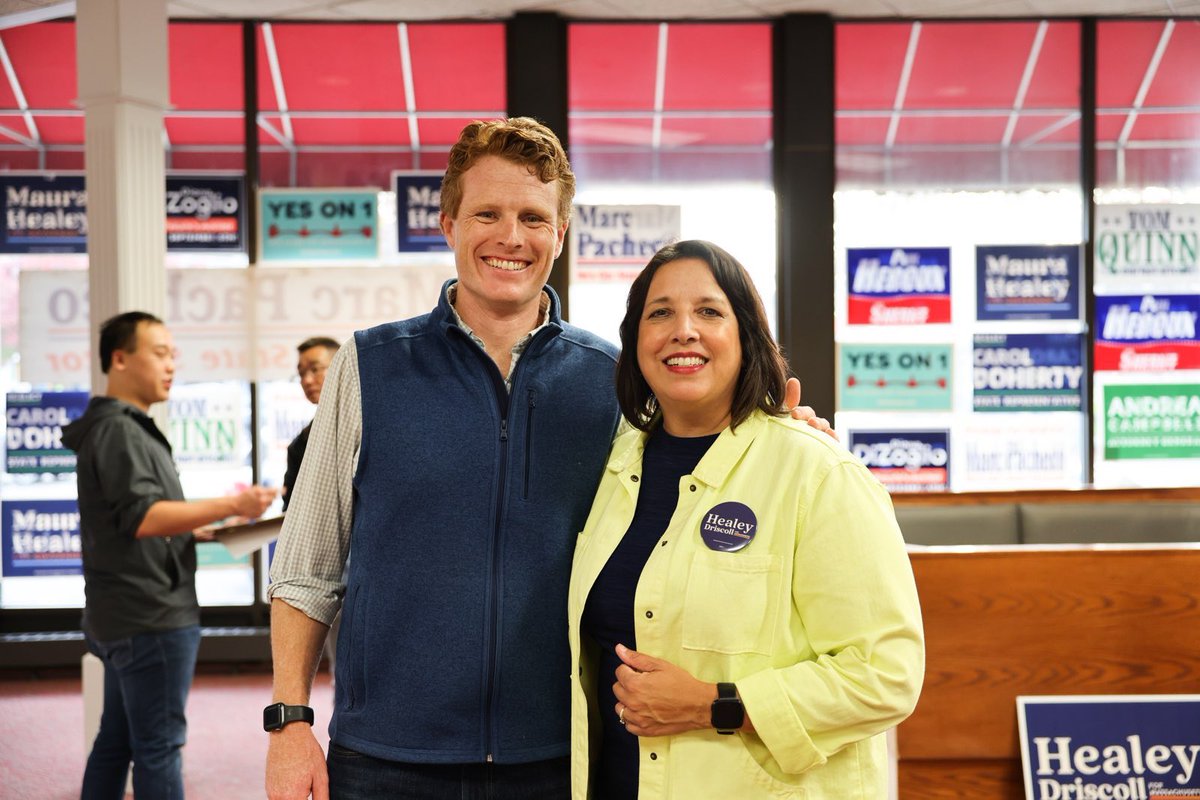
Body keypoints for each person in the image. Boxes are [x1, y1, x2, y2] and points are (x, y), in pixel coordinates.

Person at [264, 118, 833, 800]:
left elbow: (700, 464)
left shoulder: (618, 380)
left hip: (561, 756)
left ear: (559, 236)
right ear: (448, 223)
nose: (511, 237)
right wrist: (289, 721)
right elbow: (305, 570)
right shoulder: (368, 365)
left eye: (534, 217)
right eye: (487, 213)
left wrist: (782, 437)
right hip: (387, 756)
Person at [566, 240, 925, 800]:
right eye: (660, 312)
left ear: (746, 336)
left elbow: (885, 675)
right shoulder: (609, 467)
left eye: (709, 311)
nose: (683, 330)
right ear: (636, 339)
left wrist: (714, 704)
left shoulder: (817, 472)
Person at [64, 311, 277, 800]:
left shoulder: (112, 426)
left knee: (116, 743)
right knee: (158, 749)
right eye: (159, 353)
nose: (170, 365)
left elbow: (133, 521)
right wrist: (234, 504)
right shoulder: (120, 429)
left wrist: (198, 529)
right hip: (151, 617)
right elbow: (143, 517)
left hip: (122, 613)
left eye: (173, 355)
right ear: (119, 359)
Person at [282, 336, 340, 512]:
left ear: (341, 369)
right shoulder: (300, 445)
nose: (306, 380)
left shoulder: (369, 425)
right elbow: (290, 507)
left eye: (315, 369)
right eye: (301, 374)